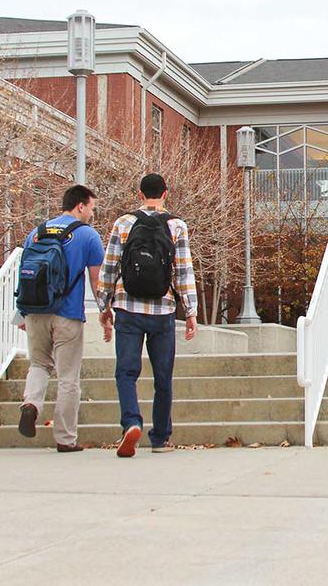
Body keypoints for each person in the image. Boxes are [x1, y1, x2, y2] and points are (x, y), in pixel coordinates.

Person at [97, 173, 198, 457]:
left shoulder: (124, 223)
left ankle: (131, 422)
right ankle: (161, 438)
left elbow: (110, 267)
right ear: (166, 193)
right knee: (163, 375)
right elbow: (182, 271)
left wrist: (104, 306)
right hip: (163, 309)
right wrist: (191, 311)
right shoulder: (176, 225)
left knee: (126, 372)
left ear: (139, 194)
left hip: (127, 307)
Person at [16, 185, 105, 452]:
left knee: (39, 364)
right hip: (67, 314)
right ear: (80, 206)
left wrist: (21, 312)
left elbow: (25, 273)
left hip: (35, 311)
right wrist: (105, 311)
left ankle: (31, 403)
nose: (91, 213)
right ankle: (65, 438)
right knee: (68, 377)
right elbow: (96, 279)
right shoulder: (88, 236)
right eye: (91, 207)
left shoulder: (37, 231)